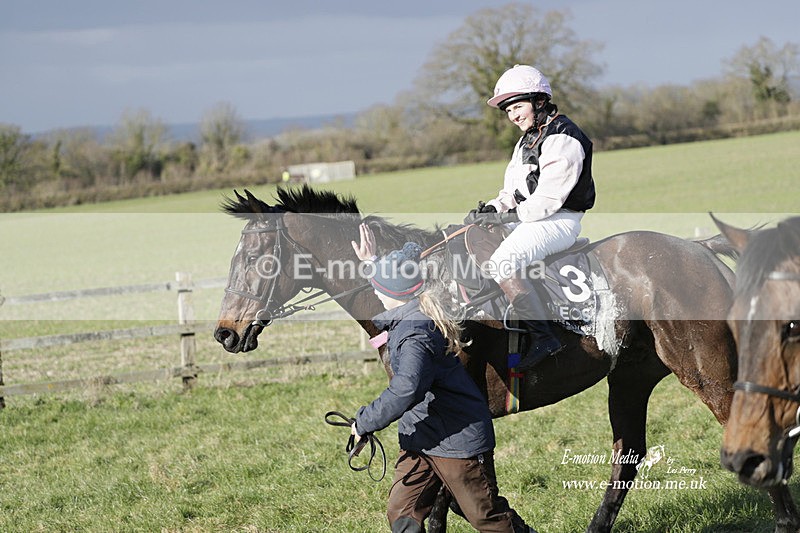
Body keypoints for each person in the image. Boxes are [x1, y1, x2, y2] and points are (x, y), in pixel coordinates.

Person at [350, 223, 535, 533]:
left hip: (456, 442)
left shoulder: (414, 334)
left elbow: (407, 388)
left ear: (390, 292)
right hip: (422, 437)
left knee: (486, 517)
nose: (374, 291)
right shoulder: (409, 311)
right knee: (402, 514)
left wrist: (364, 422)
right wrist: (372, 264)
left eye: (377, 285)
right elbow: (392, 282)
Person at [465, 64, 596, 370]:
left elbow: (548, 201)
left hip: (558, 221)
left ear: (539, 101)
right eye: (509, 109)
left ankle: (544, 336)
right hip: (529, 219)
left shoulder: (564, 137)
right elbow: (512, 190)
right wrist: (493, 209)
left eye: (518, 106)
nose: (513, 115)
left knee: (502, 263)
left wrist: (508, 214)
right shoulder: (526, 140)